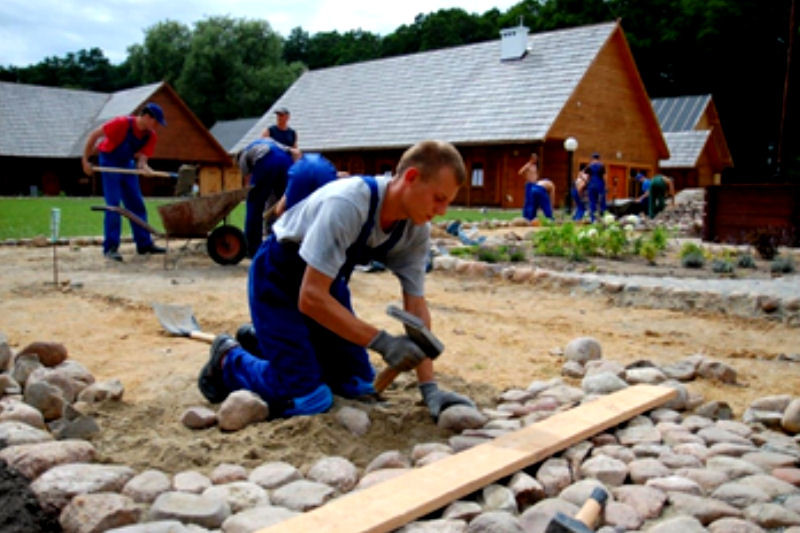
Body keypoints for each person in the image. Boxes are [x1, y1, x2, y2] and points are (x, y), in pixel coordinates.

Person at [198, 140, 475, 420]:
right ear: (412, 178)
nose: (442, 211)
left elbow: (415, 308)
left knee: (357, 384)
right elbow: (310, 298)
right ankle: (228, 359)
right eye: (439, 198)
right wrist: (382, 342)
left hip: (326, 285)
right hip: (278, 279)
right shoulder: (349, 204)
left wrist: (429, 388)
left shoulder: (414, 231)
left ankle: (265, 344)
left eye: (447, 202)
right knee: (309, 398)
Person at [81, 102, 168, 262]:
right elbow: (94, 135)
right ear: (147, 117)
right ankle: (111, 247)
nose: (156, 126)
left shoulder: (150, 135)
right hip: (109, 160)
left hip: (127, 163)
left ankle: (144, 244)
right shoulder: (120, 123)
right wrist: (85, 161)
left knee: (136, 203)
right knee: (114, 205)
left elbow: (142, 160)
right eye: (155, 122)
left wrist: (144, 168)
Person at [237, 138, 299, 258]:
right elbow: (294, 152)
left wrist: (255, 193)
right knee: (285, 203)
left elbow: (248, 181)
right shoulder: (267, 142)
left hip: (266, 161)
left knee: (254, 204)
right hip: (286, 160)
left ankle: (252, 248)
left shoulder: (243, 156)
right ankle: (288, 243)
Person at [518, 153, 554, 224]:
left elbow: (535, 174)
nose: (535, 160)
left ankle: (533, 216)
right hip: (529, 184)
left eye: (536, 159)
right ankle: (527, 216)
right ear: (531, 158)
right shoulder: (528, 165)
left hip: (535, 183)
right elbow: (520, 172)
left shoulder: (535, 166)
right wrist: (527, 178)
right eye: (534, 159)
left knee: (534, 201)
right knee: (529, 201)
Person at [584, 152, 607, 222]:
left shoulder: (589, 166)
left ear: (592, 158)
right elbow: (604, 176)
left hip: (591, 185)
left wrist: (587, 183)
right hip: (600, 184)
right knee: (602, 201)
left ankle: (593, 219)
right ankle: (603, 218)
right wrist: (606, 185)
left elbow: (587, 177)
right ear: (598, 158)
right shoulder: (601, 166)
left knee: (592, 202)